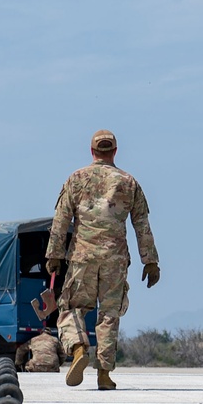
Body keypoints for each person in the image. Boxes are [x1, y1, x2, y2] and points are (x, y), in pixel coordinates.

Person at [45, 129, 160, 390]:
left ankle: (77, 349)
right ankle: (104, 375)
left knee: (71, 308)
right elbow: (141, 223)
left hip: (82, 258)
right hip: (115, 260)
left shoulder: (76, 179)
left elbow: (61, 220)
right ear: (115, 152)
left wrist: (54, 255)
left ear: (92, 151)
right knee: (109, 315)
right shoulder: (129, 182)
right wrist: (150, 261)